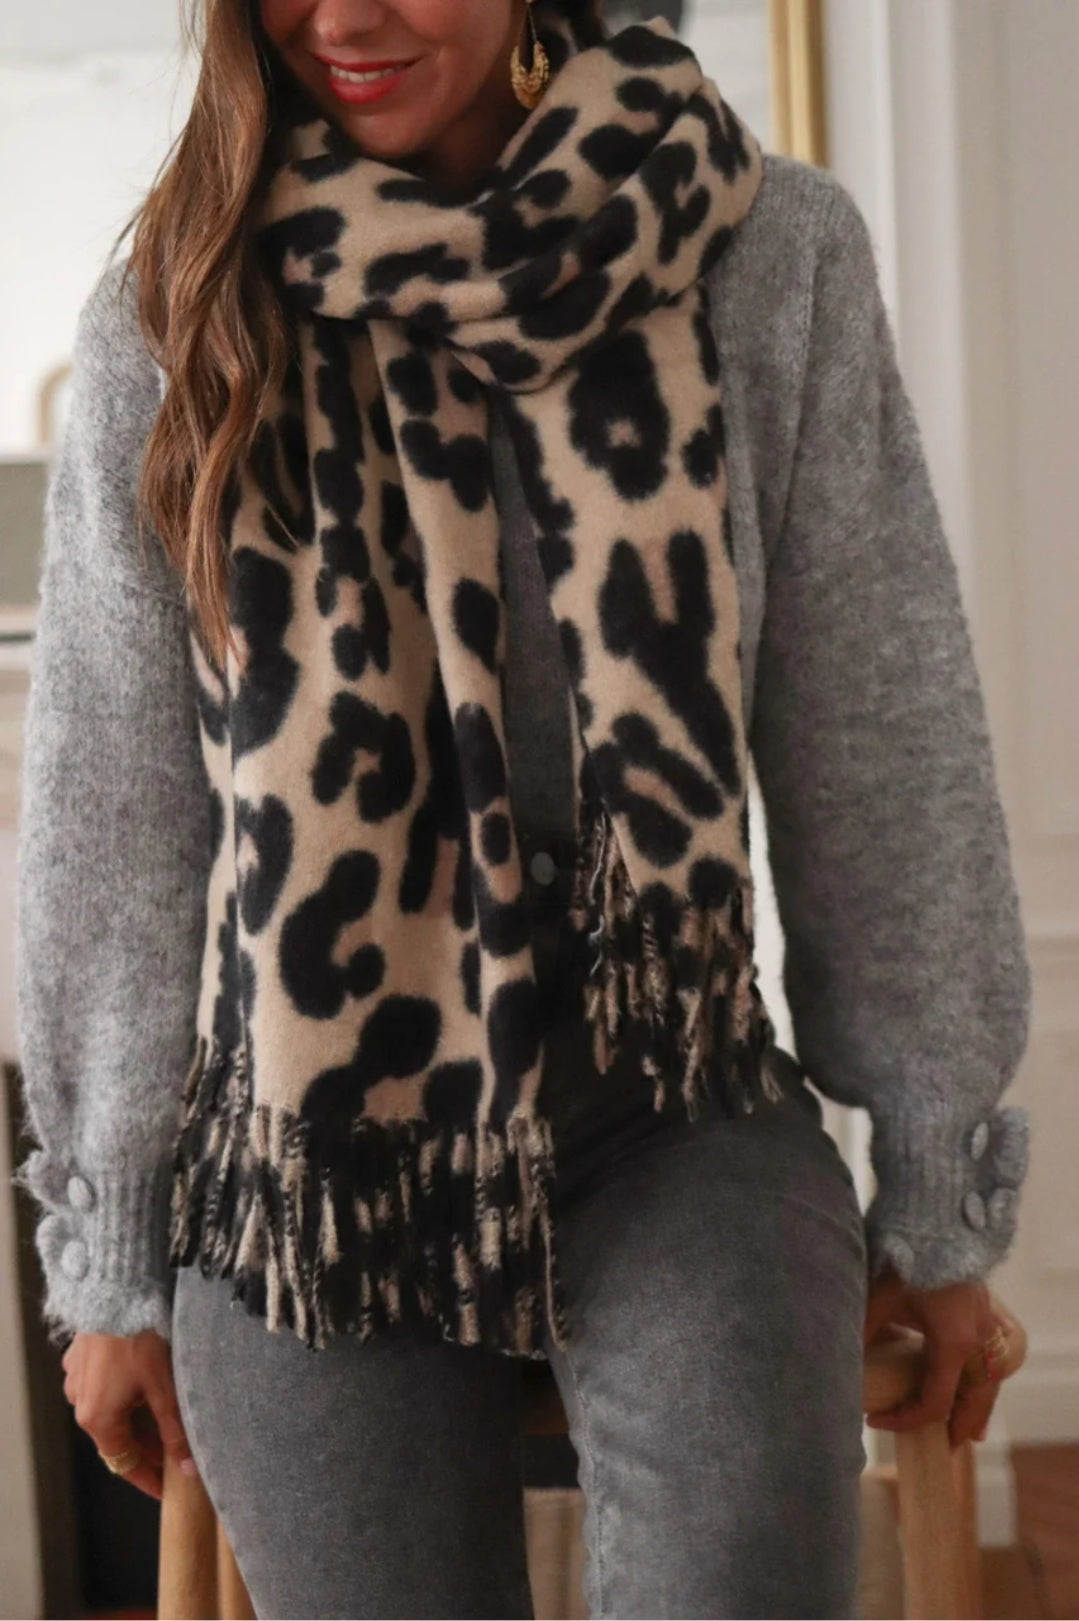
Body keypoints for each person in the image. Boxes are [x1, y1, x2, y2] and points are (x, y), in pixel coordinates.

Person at [14, 1, 1033, 1616]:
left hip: (669, 1096)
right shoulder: (182, 305)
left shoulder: (766, 258)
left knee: (743, 1557)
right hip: (312, 1156)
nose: (341, 15)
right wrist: (112, 1264)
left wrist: (936, 1179)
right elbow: (117, 821)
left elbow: (881, 736)